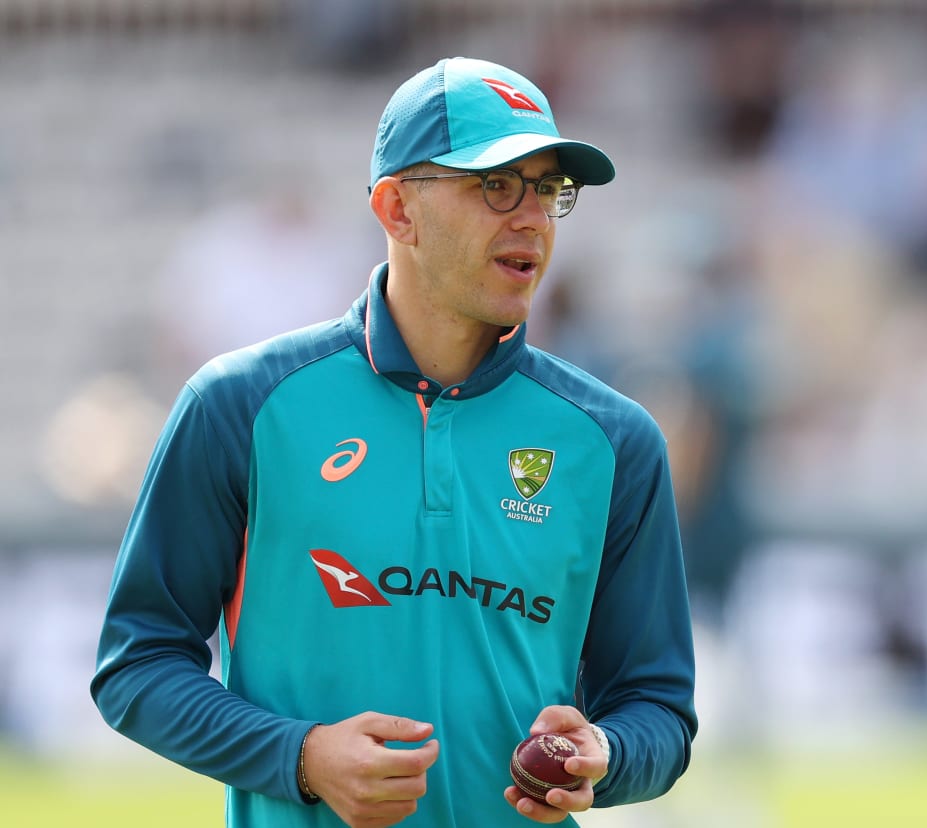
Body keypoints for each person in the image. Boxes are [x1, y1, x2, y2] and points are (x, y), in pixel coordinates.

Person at [92, 57, 697, 827]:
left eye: (547, 190)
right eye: (496, 185)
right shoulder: (239, 404)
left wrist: (603, 757)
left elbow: (659, 713)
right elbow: (135, 668)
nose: (532, 219)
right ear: (396, 209)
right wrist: (302, 756)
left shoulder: (613, 439)